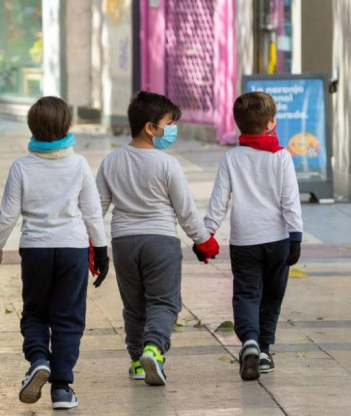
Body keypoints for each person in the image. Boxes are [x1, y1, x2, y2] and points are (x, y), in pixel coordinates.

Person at [0, 97, 109, 410]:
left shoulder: (22, 167)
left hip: (36, 251)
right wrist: (101, 251)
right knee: (69, 318)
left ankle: (38, 359)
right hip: (73, 250)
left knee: (35, 312)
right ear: (67, 126)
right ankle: (62, 388)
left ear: (31, 127)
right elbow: (92, 213)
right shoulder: (79, 165)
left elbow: (8, 216)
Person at [95, 91, 219, 386]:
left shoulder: (111, 160)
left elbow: (96, 208)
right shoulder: (167, 164)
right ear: (150, 128)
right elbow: (186, 211)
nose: (172, 130)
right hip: (160, 241)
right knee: (164, 303)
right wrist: (203, 242)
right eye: (168, 123)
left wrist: (90, 243)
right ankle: (154, 348)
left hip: (124, 243)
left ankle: (138, 361)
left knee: (134, 306)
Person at [203, 91, 303, 381]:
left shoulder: (231, 158)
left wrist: (206, 234)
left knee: (246, 294)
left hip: (244, 240)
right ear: (271, 123)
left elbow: (218, 202)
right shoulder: (281, 157)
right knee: (272, 296)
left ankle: (249, 341)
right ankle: (265, 351)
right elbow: (290, 201)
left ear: (238, 126)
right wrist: (296, 235)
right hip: (278, 239)